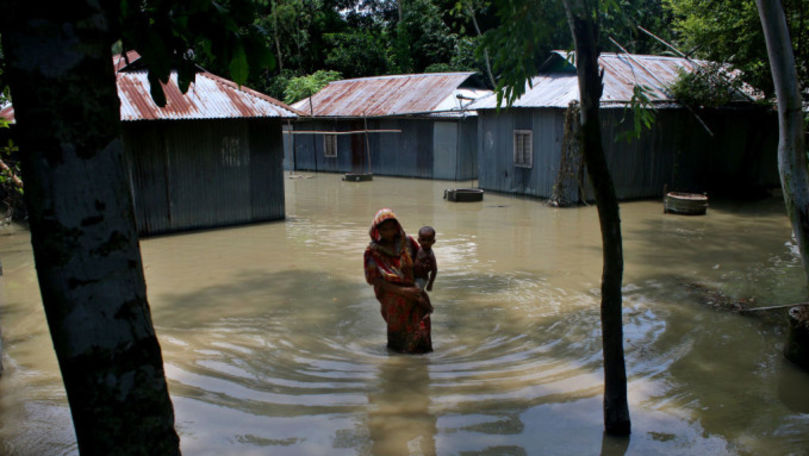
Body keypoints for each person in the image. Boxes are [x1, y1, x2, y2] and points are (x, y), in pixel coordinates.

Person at [364, 208, 433, 353]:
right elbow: (375, 281)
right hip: (394, 301)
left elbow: (421, 266)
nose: (388, 232)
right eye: (384, 229)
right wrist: (403, 291)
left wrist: (418, 289)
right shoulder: (372, 252)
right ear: (377, 230)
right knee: (399, 348)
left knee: (422, 339)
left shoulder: (407, 243)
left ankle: (423, 372)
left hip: (415, 296)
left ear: (397, 227)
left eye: (391, 228)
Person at [414, 226, 437, 292]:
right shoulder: (418, 249)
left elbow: (434, 270)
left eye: (429, 240)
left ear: (433, 241)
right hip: (414, 276)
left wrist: (430, 284)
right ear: (419, 240)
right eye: (423, 240)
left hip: (421, 279)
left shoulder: (430, 256)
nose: (426, 242)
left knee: (415, 292)